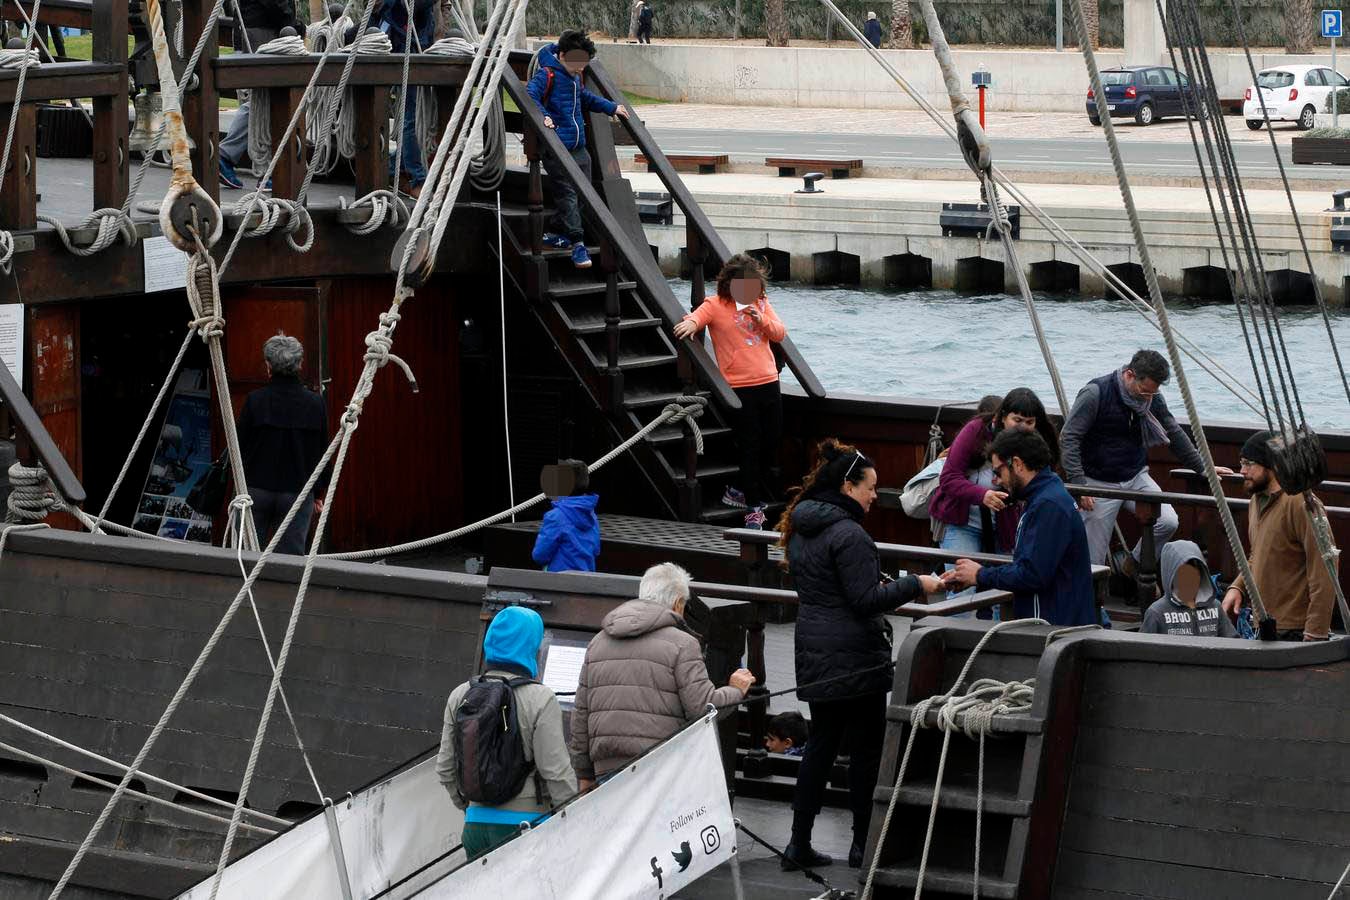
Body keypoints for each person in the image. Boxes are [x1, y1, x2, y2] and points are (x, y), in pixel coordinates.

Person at [776, 439, 943, 870]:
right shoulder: (849, 534)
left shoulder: (802, 528)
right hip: (855, 655)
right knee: (866, 752)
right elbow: (865, 599)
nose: (874, 495)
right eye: (870, 487)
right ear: (849, 487)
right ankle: (862, 844)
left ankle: (798, 842)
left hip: (815, 650)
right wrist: (917, 585)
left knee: (820, 746)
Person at [569, 562, 755, 789]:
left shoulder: (598, 642)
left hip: (606, 767)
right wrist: (735, 689)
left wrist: (584, 775)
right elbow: (702, 708)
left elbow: (581, 715)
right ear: (678, 603)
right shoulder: (682, 644)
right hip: (660, 768)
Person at [1060, 349, 1231, 568]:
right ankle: (1093, 600)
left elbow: (1173, 433)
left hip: (1135, 475)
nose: (1148, 398)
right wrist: (1079, 485)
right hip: (1097, 481)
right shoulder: (1095, 393)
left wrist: (1204, 468)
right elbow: (1069, 437)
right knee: (1092, 559)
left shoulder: (1152, 399)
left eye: (1152, 393)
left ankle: (1132, 564)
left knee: (1168, 521)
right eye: (1144, 391)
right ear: (1129, 375)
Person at [435, 606, 577, 859]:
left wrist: (470, 808)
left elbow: (445, 769)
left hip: (475, 827)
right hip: (526, 825)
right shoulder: (541, 698)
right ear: (532, 644)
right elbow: (556, 773)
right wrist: (573, 816)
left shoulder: (460, 694)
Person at [673, 254, 787, 530]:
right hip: (740, 388)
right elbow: (697, 317)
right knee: (750, 446)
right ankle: (753, 509)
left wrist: (761, 320)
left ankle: (737, 489)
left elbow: (779, 333)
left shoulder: (762, 303)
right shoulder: (715, 304)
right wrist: (690, 323)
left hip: (769, 381)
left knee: (772, 441)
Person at [945, 429, 1096, 626]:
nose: (996, 481)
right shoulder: (1046, 497)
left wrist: (980, 574)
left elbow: (1032, 575)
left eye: (999, 471)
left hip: (1052, 629)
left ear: (1017, 464)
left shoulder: (1048, 506)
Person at [930, 389, 1061, 598]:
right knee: (960, 592)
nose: (1022, 427)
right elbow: (948, 477)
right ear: (1001, 417)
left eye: (1029, 422)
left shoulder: (1035, 441)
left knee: (1004, 593)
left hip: (1006, 525)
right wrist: (982, 495)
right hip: (964, 522)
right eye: (1016, 420)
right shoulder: (976, 431)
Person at [526, 30, 631, 269]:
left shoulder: (574, 77)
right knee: (568, 193)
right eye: (577, 63)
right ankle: (577, 244)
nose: (581, 68)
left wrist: (611, 107)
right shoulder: (548, 74)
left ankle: (559, 230)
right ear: (562, 55)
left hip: (578, 146)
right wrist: (544, 117)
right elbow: (530, 96)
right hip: (557, 148)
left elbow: (584, 97)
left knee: (584, 192)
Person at [1220, 431, 1339, 641]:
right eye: (1241, 463)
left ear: (1271, 465)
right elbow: (1258, 555)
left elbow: (1324, 569)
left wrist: (1315, 632)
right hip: (1265, 624)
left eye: (1249, 463)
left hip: (1295, 630)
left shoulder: (1301, 503)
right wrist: (1238, 587)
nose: (1242, 470)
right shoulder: (1257, 502)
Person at [236, 334, 328, 555]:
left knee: (245, 555)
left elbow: (240, 445)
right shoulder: (315, 403)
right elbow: (320, 451)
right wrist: (318, 493)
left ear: (268, 365)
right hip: (297, 491)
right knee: (289, 562)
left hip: (255, 489)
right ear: (300, 364)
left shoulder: (255, 400)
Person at [218, 0, 303, 189]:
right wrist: (291, 24)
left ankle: (226, 156)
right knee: (268, 99)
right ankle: (269, 170)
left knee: (262, 99)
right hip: (264, 30)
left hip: (253, 27)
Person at [373, 0, 436, 199]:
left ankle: (392, 168)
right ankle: (416, 178)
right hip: (402, 49)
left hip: (417, 48)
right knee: (412, 118)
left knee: (415, 117)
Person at [1141, 540, 1237, 638]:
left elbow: (1233, 644)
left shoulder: (1215, 607)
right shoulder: (1156, 612)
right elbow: (1142, 650)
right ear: (1171, 576)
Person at [531, 459, 601, 572]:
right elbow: (596, 550)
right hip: (586, 582)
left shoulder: (555, 517)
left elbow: (539, 555)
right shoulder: (592, 516)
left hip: (558, 583)